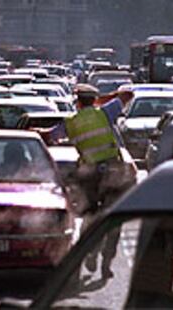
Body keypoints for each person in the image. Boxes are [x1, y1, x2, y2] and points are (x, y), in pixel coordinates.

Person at [50, 83, 135, 279]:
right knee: (114, 218)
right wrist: (100, 99)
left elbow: (50, 135)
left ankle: (90, 252)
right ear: (92, 100)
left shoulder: (71, 122)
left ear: (77, 102)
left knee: (90, 217)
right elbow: (128, 94)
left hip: (89, 176)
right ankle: (107, 262)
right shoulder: (104, 112)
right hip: (113, 172)